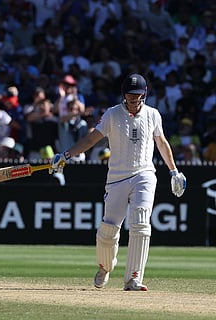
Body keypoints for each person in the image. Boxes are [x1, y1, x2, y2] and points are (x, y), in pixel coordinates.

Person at [51, 74, 187, 291]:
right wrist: (66, 155)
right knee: (108, 229)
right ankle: (105, 267)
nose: (133, 100)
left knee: (141, 222)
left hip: (144, 175)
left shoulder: (153, 114)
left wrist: (174, 171)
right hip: (116, 178)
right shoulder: (112, 114)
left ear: (144, 94)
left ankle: (134, 278)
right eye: (130, 95)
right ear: (124, 95)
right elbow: (91, 139)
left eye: (137, 95)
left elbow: (161, 142)